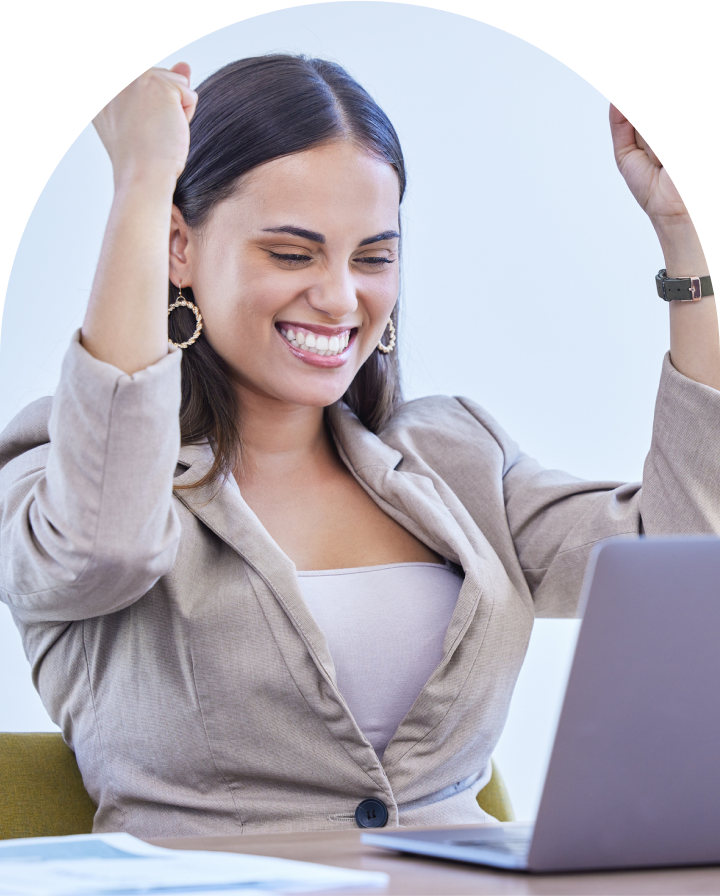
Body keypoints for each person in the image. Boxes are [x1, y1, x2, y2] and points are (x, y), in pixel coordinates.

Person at [1, 53, 720, 839]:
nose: (342, 297)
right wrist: (140, 186)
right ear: (179, 246)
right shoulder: (65, 469)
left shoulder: (457, 457)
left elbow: (683, 560)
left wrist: (693, 245)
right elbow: (102, 550)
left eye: (374, 257)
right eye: (291, 253)